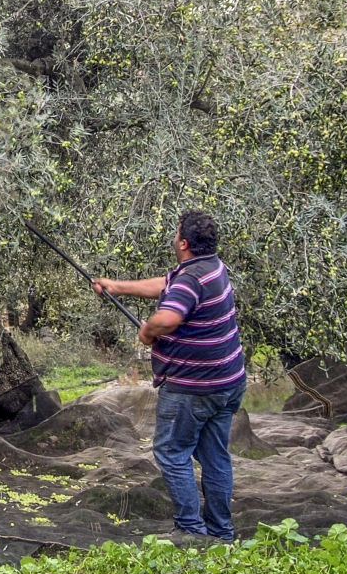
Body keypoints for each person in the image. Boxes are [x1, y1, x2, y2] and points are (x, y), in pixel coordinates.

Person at [93, 209, 246, 543]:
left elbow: (168, 317)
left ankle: (190, 529)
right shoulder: (210, 268)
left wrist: (148, 331)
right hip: (227, 381)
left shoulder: (190, 279)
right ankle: (221, 532)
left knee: (171, 452)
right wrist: (115, 286)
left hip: (194, 387)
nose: (174, 238)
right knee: (214, 455)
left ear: (184, 243)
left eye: (176, 233)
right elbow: (167, 286)